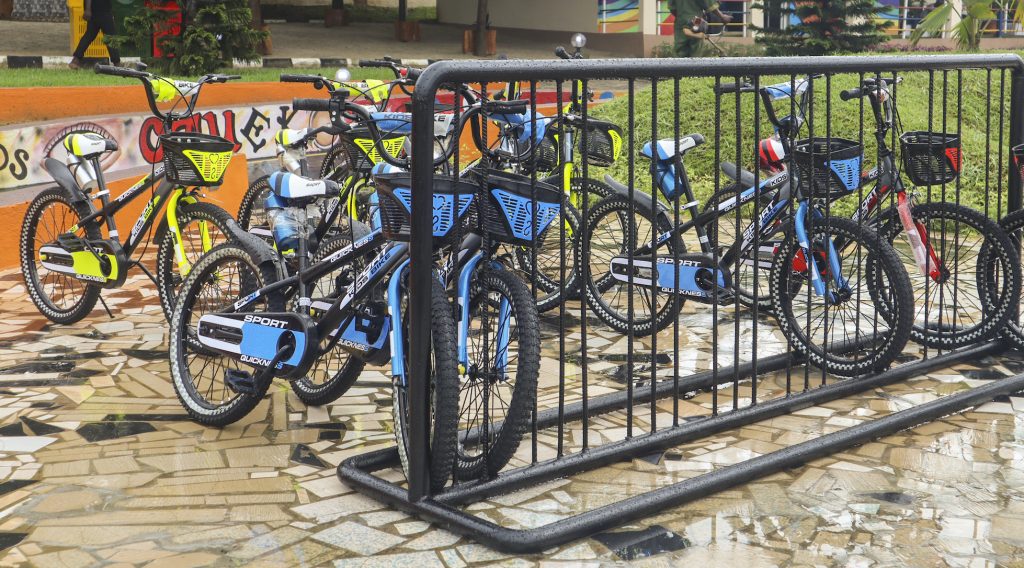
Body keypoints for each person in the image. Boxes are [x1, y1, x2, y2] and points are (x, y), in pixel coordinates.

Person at [69, 0, 120, 69]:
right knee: (110, 36)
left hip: (100, 9)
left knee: (89, 35)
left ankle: (75, 60)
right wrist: (87, 10)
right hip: (101, 10)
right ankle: (117, 64)